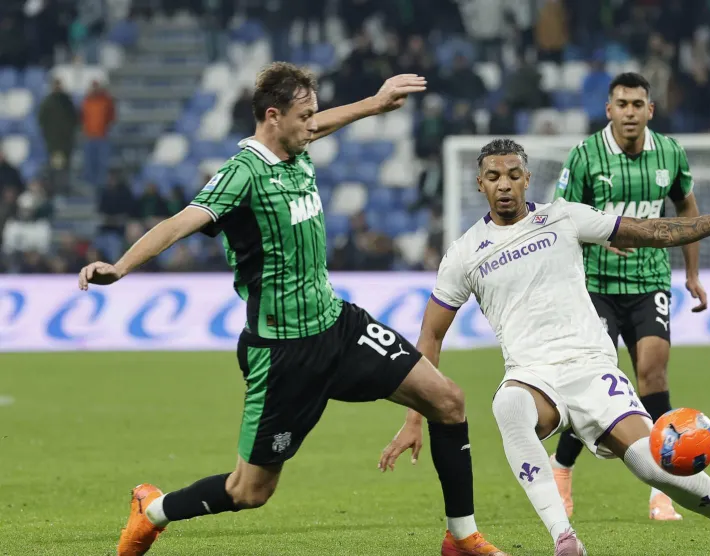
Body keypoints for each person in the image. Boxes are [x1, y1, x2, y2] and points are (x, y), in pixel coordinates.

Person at [78, 62, 505, 556]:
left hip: (338, 326)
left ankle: (461, 538)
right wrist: (122, 266)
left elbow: (322, 124)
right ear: (273, 116)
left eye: (314, 115)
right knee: (249, 491)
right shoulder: (241, 176)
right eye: (305, 116)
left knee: (448, 401)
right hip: (283, 355)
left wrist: (376, 100)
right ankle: (152, 510)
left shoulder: (296, 143)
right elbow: (180, 223)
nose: (314, 125)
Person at [379, 139, 710, 556]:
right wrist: (414, 416)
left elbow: (648, 230)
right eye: (494, 176)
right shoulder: (464, 253)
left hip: (592, 368)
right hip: (533, 376)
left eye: (514, 174)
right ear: (480, 183)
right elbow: (430, 337)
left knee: (653, 466)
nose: (505, 184)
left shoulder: (563, 216)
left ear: (527, 178)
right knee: (508, 405)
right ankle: (564, 538)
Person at [551, 71, 707, 520]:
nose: (630, 112)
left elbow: (687, 213)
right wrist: (600, 238)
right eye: (622, 104)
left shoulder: (671, 153)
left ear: (650, 110)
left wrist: (692, 273)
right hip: (596, 285)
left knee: (653, 374)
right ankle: (561, 466)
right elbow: (559, 217)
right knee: (596, 383)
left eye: (638, 104)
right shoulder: (585, 155)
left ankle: (664, 483)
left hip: (649, 280)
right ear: (609, 110)